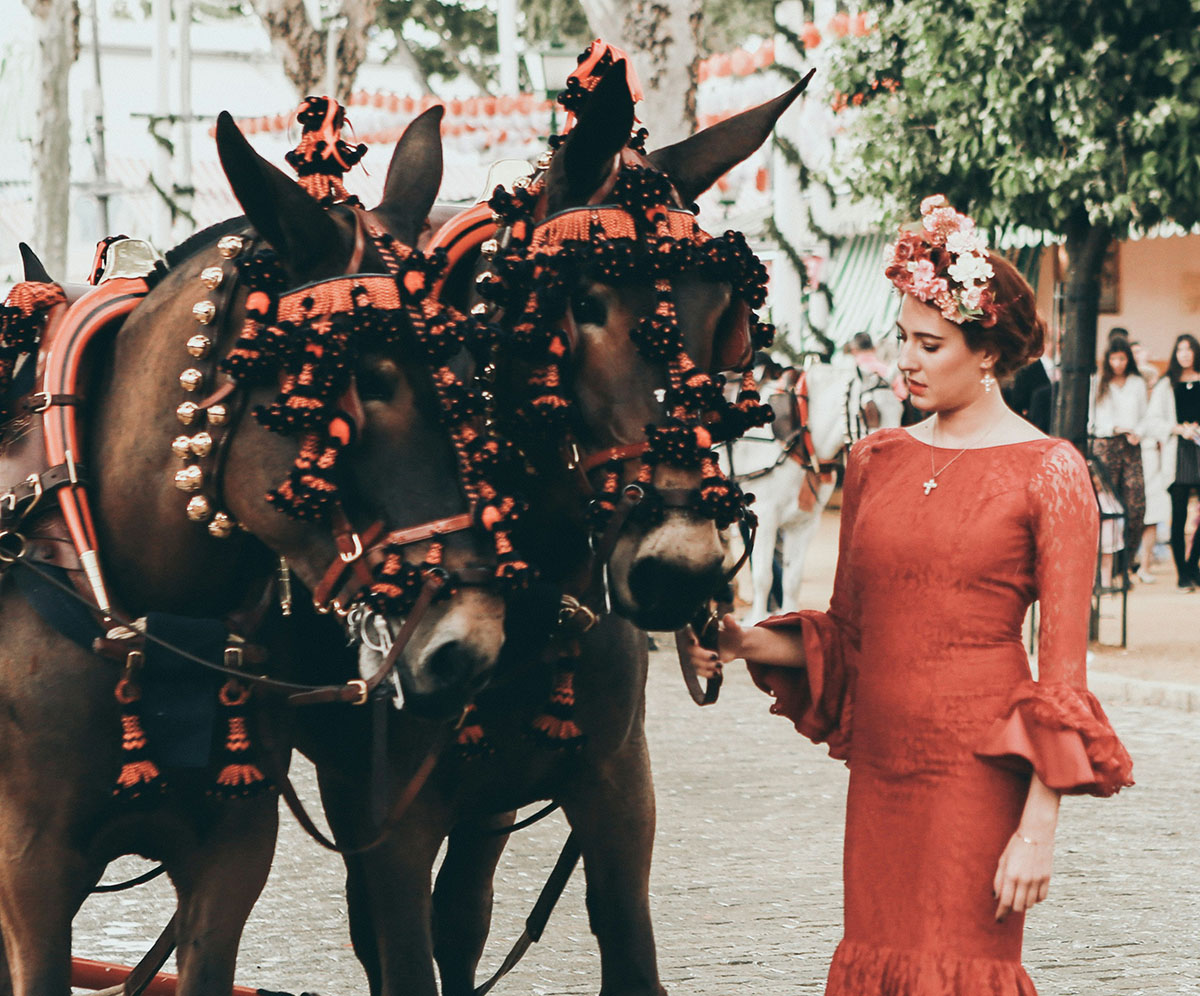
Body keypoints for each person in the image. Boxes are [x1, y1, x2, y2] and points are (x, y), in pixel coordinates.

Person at [689, 195, 1133, 995]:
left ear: (989, 352)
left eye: (931, 344)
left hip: (978, 775)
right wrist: (745, 640)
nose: (908, 359)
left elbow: (1062, 678)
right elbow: (848, 634)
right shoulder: (874, 461)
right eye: (903, 338)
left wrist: (1039, 826)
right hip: (884, 772)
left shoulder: (1051, 470)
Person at [1143, 333, 1200, 590]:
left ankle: (1192, 565)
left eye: (1189, 349)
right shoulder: (1167, 384)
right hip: (1178, 454)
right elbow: (1153, 420)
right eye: (1180, 350)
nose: (1185, 354)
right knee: (1177, 517)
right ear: (1175, 354)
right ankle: (1183, 573)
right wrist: (1177, 428)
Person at [1089, 337, 1148, 575]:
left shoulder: (1137, 383)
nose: (1118, 363)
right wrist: (1112, 428)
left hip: (1131, 445)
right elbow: (1091, 419)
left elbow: (1145, 415)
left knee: (1135, 506)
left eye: (1122, 358)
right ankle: (1104, 570)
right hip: (1106, 443)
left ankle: (1124, 566)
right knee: (1106, 507)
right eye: (1114, 358)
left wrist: (1138, 432)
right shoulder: (1098, 382)